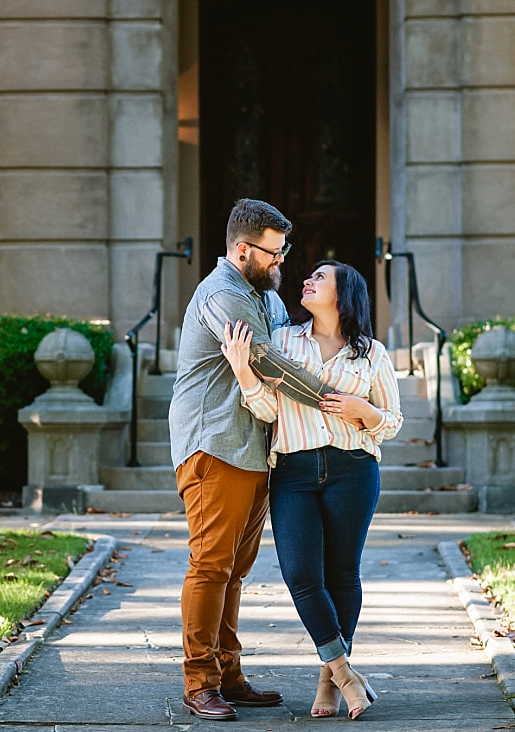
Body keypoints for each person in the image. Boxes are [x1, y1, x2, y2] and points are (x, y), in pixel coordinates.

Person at [169, 198, 331, 721]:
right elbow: (268, 364)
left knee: (234, 571)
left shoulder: (262, 294)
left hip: (255, 449)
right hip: (216, 446)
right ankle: (199, 683)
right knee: (211, 564)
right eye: (275, 254)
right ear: (244, 250)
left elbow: (290, 343)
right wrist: (340, 404)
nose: (282, 263)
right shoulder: (222, 294)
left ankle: (228, 676)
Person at [221, 260, 403, 720]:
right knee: (301, 573)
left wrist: (366, 410)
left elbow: (393, 423)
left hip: (354, 470)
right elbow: (266, 410)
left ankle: (328, 684)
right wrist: (244, 372)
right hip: (294, 471)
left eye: (321, 278)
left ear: (344, 296)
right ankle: (343, 672)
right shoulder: (284, 341)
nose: (308, 280)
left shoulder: (372, 355)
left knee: (342, 574)